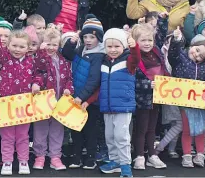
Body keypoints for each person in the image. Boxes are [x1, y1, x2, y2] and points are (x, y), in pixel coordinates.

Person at [0, 27, 45, 175]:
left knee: (23, 136)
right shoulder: (4, 58)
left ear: (27, 48)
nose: (17, 49)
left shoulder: (31, 62)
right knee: (6, 136)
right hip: (5, 104)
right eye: (14, 45)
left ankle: (23, 161)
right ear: (8, 45)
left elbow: (39, 74)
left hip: (24, 105)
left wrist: (36, 83)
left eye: (21, 46)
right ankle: (7, 161)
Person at [61, 14, 105, 170]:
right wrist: (71, 42)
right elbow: (66, 54)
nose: (88, 40)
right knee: (75, 129)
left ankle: (91, 157)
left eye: (91, 37)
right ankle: (76, 156)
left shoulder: (99, 55)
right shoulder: (80, 50)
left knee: (90, 130)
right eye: (85, 36)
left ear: (98, 38)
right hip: (75, 98)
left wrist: (82, 97)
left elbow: (94, 80)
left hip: (88, 101)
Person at [167, 29, 205, 168]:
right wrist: (176, 40)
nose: (197, 55)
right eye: (197, 50)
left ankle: (199, 155)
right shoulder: (181, 57)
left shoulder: (204, 65)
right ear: (192, 45)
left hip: (199, 102)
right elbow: (173, 53)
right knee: (187, 129)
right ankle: (187, 155)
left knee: (200, 129)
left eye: (201, 56)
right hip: (184, 101)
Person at [97, 28, 139, 177]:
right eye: (109, 46)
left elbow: (136, 58)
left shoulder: (128, 61)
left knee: (122, 137)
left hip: (123, 107)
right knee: (110, 136)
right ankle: (114, 161)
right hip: (107, 107)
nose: (113, 50)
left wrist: (134, 46)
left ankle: (125, 166)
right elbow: (99, 85)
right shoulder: (103, 62)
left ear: (124, 46)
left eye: (117, 46)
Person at [32, 25, 73, 171]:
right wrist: (41, 52)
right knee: (40, 129)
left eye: (54, 44)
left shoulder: (63, 61)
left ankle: (55, 156)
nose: (51, 47)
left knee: (57, 130)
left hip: (58, 101)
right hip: (42, 102)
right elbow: (39, 69)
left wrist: (69, 88)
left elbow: (69, 77)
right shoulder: (39, 57)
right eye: (48, 44)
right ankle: (40, 155)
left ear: (59, 45)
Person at [130, 23, 168, 170]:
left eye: (149, 40)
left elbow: (161, 36)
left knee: (152, 128)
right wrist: (147, 85)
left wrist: (162, 20)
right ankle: (139, 155)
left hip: (157, 97)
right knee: (141, 128)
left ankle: (152, 155)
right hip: (142, 98)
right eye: (143, 40)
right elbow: (132, 79)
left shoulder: (156, 52)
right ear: (136, 42)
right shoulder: (134, 57)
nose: (147, 43)